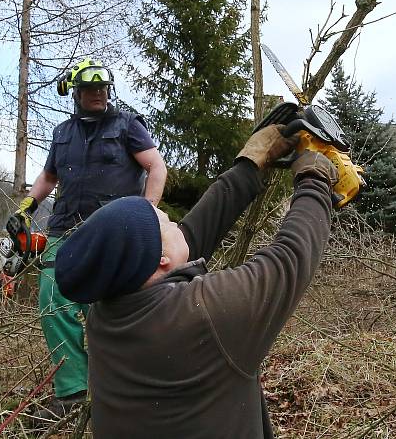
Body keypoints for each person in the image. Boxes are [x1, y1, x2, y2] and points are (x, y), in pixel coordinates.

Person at [54, 124, 337, 438]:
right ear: (160, 259)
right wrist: (315, 179)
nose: (177, 223)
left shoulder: (106, 314)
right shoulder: (202, 317)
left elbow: (188, 238)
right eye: (168, 222)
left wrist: (249, 166)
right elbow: (290, 259)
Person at [12, 57, 167, 417]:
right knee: (55, 303)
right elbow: (49, 178)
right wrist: (26, 208)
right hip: (64, 226)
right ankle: (72, 392)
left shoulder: (128, 125)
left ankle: (127, 384)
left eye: (103, 88)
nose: (98, 94)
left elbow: (155, 166)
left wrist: (148, 211)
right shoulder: (62, 132)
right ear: (75, 92)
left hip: (114, 228)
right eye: (90, 89)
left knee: (114, 305)